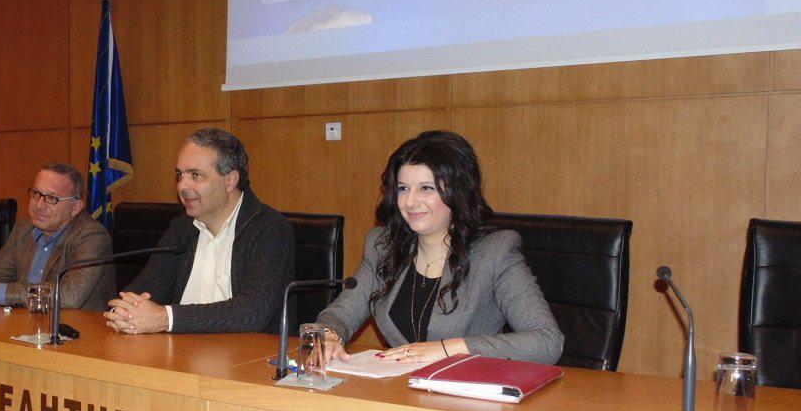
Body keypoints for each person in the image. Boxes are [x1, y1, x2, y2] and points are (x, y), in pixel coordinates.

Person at [315, 130, 562, 365]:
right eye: (403, 188)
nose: (410, 201)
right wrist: (329, 335)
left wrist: (447, 349)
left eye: (426, 188)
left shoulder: (494, 253)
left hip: (466, 388)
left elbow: (547, 341)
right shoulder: (384, 247)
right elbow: (341, 313)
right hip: (399, 387)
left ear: (457, 192)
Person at [104, 128, 294, 334]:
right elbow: (147, 288)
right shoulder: (182, 228)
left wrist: (166, 318)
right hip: (181, 349)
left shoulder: (269, 228)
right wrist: (123, 311)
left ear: (230, 181)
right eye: (180, 175)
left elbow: (252, 312)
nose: (182, 186)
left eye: (196, 175)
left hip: (249, 351)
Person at [0, 163, 115, 311]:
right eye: (36, 194)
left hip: (78, 327)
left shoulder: (92, 236)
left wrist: (0, 293)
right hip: (24, 323)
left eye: (51, 198)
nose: (39, 205)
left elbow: (70, 295)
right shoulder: (25, 229)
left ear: (75, 207)